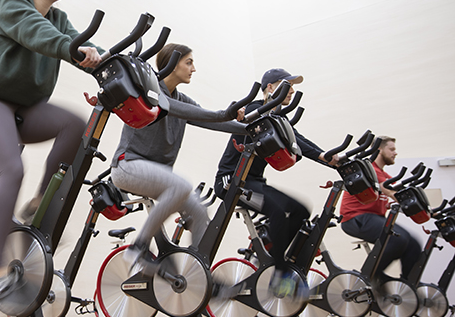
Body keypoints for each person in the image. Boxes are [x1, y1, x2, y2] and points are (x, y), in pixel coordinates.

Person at [0, 0, 102, 303]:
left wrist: (113, 63)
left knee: (75, 124)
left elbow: (77, 42)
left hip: (22, 110)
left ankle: (37, 202)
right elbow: (36, 34)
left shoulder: (59, 19)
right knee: (12, 168)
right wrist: (73, 48)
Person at [110, 43, 247, 272]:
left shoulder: (181, 99)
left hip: (157, 176)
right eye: (189, 62)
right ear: (173, 65)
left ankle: (198, 274)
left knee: (200, 211)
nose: (193, 69)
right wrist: (225, 113)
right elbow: (171, 107)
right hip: (127, 166)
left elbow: (209, 119)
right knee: (182, 186)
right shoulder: (150, 91)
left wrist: (250, 127)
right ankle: (139, 247)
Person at [214, 68, 339, 298]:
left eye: (293, 87)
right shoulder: (254, 110)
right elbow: (244, 116)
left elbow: (297, 139)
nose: (292, 90)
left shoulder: (277, 118)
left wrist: (325, 158)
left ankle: (271, 242)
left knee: (301, 210)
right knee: (279, 212)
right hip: (232, 181)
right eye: (286, 84)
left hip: (254, 182)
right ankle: (280, 276)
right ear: (270, 88)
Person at [339, 136, 422, 283]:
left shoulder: (386, 176)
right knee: (398, 239)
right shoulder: (368, 169)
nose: (395, 153)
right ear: (379, 149)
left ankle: (408, 287)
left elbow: (402, 194)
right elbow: (388, 189)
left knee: (413, 244)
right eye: (391, 149)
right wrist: (396, 195)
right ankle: (371, 277)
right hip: (356, 218)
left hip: (375, 218)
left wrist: (431, 210)